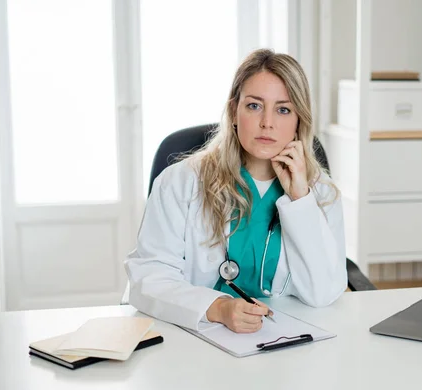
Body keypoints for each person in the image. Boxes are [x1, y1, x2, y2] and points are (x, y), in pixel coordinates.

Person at [124, 48, 346, 334]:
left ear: (298, 122)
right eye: (254, 106)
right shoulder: (180, 183)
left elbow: (324, 294)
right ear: (234, 112)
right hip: (195, 337)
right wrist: (217, 308)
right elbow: (149, 278)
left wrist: (301, 201)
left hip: (285, 340)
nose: (267, 122)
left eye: (283, 109)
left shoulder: (322, 194)